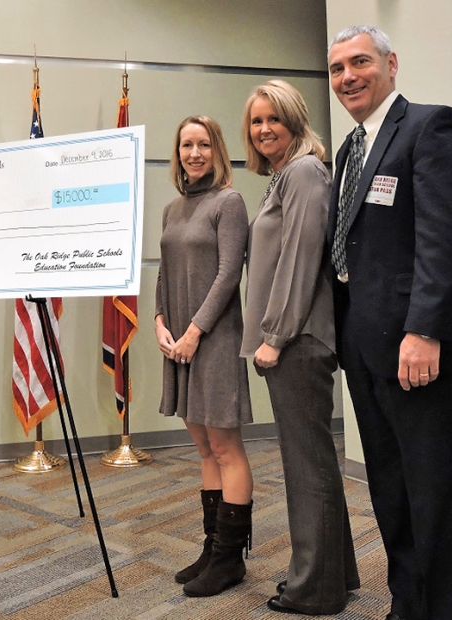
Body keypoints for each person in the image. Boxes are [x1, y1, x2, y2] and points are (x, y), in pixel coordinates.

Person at [327, 26, 452, 620]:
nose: (347, 77)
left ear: (391, 64)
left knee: (432, 489)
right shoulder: (350, 150)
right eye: (337, 69)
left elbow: (444, 238)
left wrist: (426, 330)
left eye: (359, 62)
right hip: (363, 349)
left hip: (416, 347)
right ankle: (408, 603)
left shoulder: (430, 126)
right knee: (388, 485)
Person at [239, 80, 360, 615]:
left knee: (306, 466)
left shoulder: (306, 171)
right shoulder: (284, 175)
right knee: (313, 462)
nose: (264, 129)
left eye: (273, 119)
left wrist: (275, 337)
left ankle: (314, 587)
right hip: (289, 339)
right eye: (256, 121)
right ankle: (338, 573)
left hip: (296, 340)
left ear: (294, 118)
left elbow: (301, 258)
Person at [154, 115, 253, 598]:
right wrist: (158, 320)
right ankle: (212, 547)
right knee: (204, 449)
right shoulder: (173, 209)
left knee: (225, 447)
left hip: (212, 340)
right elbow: (164, 272)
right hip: (177, 341)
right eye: (186, 145)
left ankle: (231, 560)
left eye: (203, 145)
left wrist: (194, 331)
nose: (195, 153)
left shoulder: (229, 202)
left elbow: (229, 275)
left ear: (217, 149)